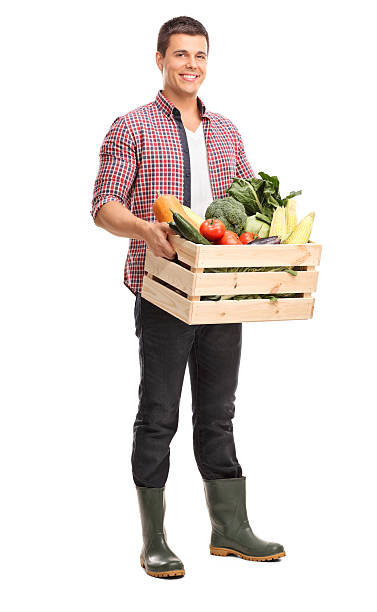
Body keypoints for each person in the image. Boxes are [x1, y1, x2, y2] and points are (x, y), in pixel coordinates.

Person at [91, 15, 285, 579]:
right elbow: (104, 205)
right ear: (160, 59)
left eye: (199, 55)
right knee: (158, 414)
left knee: (218, 413)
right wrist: (146, 230)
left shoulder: (226, 131)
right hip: (163, 290)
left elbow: (249, 204)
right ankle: (155, 538)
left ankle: (230, 529)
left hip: (223, 292)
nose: (191, 65)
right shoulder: (132, 126)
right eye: (180, 55)